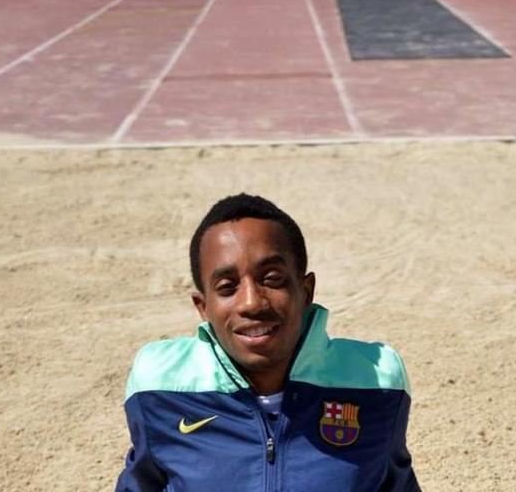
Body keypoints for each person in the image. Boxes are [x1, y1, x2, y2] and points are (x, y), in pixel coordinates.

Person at [115, 193, 419, 491]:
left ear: (306, 290)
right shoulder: (159, 387)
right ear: (203, 307)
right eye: (227, 286)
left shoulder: (376, 382)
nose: (251, 302)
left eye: (272, 279)